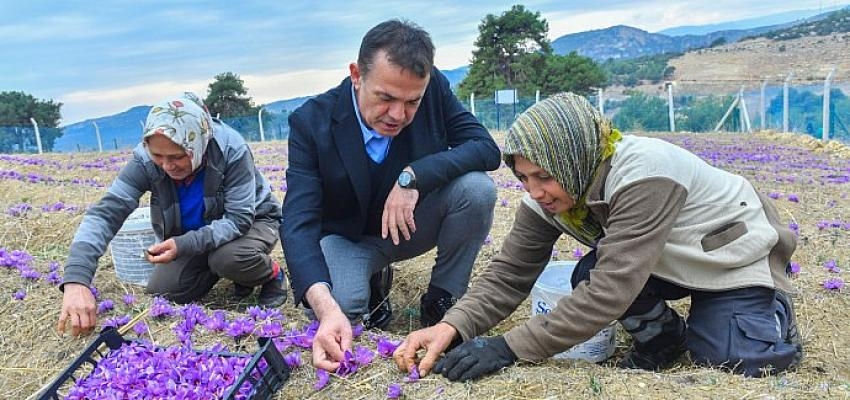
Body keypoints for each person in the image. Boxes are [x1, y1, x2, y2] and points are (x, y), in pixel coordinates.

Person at [395, 92, 803, 380]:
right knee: (586, 273)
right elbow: (509, 275)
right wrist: (453, 327)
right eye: (523, 177)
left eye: (544, 175)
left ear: (572, 158)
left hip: (726, 254)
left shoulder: (644, 175)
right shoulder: (551, 196)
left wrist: (508, 348)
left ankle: (769, 309)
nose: (534, 191)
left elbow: (611, 289)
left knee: (734, 359)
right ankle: (664, 340)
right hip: (661, 257)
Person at [282, 19, 500, 372]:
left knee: (476, 190)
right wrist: (326, 308)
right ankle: (370, 283)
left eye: (411, 101)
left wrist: (413, 176)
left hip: (410, 225)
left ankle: (443, 299)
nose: (398, 115)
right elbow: (298, 221)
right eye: (385, 98)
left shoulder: (434, 89)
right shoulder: (311, 122)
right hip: (348, 237)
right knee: (341, 311)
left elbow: (485, 149)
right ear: (357, 75)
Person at [57, 92, 285, 336]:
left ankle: (271, 275)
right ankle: (231, 271)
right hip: (197, 232)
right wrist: (76, 279)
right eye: (158, 156)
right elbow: (105, 214)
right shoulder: (144, 160)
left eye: (177, 156)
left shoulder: (230, 149)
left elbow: (239, 219)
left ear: (198, 144)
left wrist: (185, 244)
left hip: (253, 220)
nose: (167, 166)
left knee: (227, 258)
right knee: (164, 291)